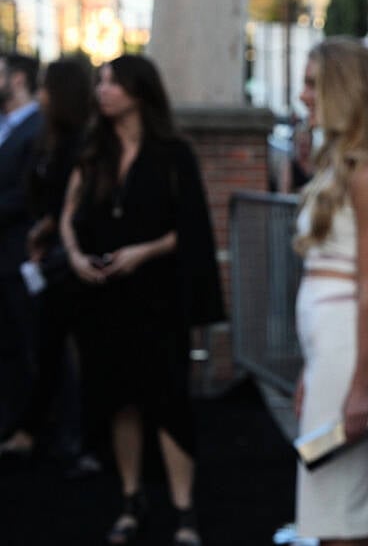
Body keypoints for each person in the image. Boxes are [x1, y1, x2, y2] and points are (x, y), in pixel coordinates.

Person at [59, 54, 223, 546]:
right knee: (118, 400)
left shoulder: (173, 154)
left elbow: (191, 228)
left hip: (157, 298)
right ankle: (131, 498)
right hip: (104, 298)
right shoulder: (94, 152)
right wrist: (73, 256)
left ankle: (183, 506)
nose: (102, 91)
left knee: (169, 400)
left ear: (138, 91)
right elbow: (67, 214)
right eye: (100, 83)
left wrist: (141, 253)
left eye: (112, 83)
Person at [290, 36, 368, 546]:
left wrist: (358, 384)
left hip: (346, 349)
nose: (303, 95)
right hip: (329, 351)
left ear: (342, 89)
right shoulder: (341, 166)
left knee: (343, 513)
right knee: (333, 505)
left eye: (313, 83)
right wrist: (310, 371)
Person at [0, 57, 100, 476]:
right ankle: (39, 428)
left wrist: (52, 234)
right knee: (37, 345)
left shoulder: (72, 141)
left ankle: (73, 437)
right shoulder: (49, 136)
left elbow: (61, 202)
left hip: (59, 259)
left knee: (56, 348)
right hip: (43, 252)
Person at [0, 52, 42, 444]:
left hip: (19, 255)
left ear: (16, 80)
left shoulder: (38, 128)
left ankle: (33, 429)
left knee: (30, 345)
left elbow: (28, 195)